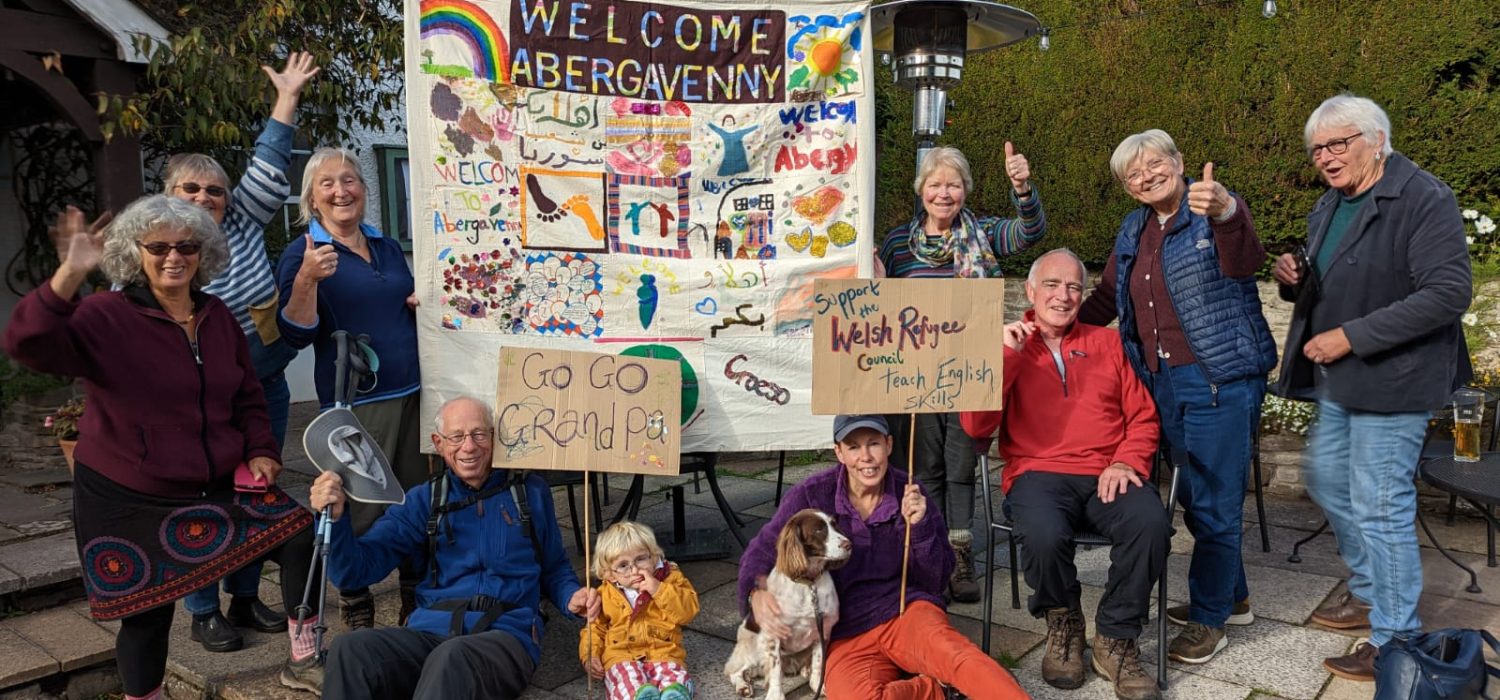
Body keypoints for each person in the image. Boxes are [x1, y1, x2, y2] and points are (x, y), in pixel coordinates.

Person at [4, 196, 323, 698]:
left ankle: (304, 656)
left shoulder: (216, 315)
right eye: (158, 246)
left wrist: (262, 448)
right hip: (127, 492)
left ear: (203, 253)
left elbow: (246, 393)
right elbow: (28, 343)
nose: (174, 256)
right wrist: (69, 273)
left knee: (301, 534)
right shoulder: (105, 315)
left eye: (187, 246)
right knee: (147, 617)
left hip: (210, 483)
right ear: (137, 252)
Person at [1271, 94, 1472, 682]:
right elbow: (1333, 277)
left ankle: (1397, 639)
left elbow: (1447, 293)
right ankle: (1368, 591)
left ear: (1376, 140)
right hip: (1345, 379)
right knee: (1329, 480)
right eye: (1317, 149)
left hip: (1398, 378)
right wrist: (1293, 280)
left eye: (1339, 144)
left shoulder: (1423, 197)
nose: (1327, 157)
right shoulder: (1332, 203)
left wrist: (1351, 337)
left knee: (1380, 506)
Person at [1076, 129, 1277, 665]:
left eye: (1154, 164)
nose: (1145, 177)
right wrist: (1046, 326)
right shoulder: (1134, 227)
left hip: (1219, 377)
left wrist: (1229, 209)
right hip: (1161, 381)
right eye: (1132, 174)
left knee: (1214, 500)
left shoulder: (1211, 208)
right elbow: (1105, 299)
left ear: (1179, 161)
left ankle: (1210, 619)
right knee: (1193, 496)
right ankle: (1232, 599)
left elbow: (1246, 260)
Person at [963, 249, 1168, 700]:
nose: (1064, 295)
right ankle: (1064, 620)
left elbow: (1144, 418)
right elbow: (976, 428)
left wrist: (1126, 461)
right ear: (1031, 291)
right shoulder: (1005, 344)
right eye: (1053, 285)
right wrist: (1007, 357)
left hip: (1106, 470)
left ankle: (1115, 637)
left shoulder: (1109, 343)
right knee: (1040, 531)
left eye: (1075, 286)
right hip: (1037, 472)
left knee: (1150, 522)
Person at [169, 50, 319, 655]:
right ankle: (203, 607)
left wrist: (286, 97)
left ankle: (244, 595)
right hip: (200, 400)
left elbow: (268, 163)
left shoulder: (244, 224)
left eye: (214, 190)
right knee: (206, 496)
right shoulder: (164, 249)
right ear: (170, 196)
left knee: (257, 488)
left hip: (265, 385)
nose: (205, 197)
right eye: (191, 188)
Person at [310, 395, 601, 699]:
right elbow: (353, 573)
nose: (469, 446)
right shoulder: (424, 499)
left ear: (493, 436)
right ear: (438, 442)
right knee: (349, 649)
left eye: (479, 434)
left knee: (451, 658)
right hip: (430, 629)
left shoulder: (529, 493)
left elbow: (555, 569)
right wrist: (336, 519)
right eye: (457, 437)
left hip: (505, 636)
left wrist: (572, 597)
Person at [736, 414, 1028, 700]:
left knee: (959, 658)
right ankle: (938, 690)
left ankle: (974, 683)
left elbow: (936, 580)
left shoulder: (911, 491)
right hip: (843, 632)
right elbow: (762, 549)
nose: (866, 456)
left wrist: (921, 528)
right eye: (853, 446)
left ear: (888, 445)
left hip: (905, 611)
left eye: (873, 443)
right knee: (852, 695)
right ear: (838, 452)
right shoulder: (811, 495)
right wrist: (754, 593)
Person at [876, 144, 1047, 603]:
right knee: (922, 464)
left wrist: (1022, 188)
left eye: (953, 184)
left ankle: (960, 550)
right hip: (915, 372)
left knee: (962, 462)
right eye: (935, 184)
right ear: (921, 191)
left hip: (971, 368)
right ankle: (928, 549)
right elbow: (881, 305)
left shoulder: (985, 233)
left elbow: (1030, 232)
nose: (944, 193)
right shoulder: (897, 244)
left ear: (965, 190)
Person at [276, 146, 424, 628]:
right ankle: (355, 599)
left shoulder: (382, 245)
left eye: (350, 180)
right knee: (358, 503)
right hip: (358, 400)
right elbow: (295, 333)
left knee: (415, 497)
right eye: (328, 183)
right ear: (312, 199)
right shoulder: (304, 252)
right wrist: (305, 280)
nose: (341, 190)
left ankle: (414, 594)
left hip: (415, 391)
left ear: (364, 189)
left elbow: (394, 305)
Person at [580, 521, 699, 700]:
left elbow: (688, 611)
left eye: (641, 559)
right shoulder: (605, 593)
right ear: (609, 573)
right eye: (623, 565)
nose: (635, 570)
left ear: (654, 556)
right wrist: (590, 654)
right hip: (621, 654)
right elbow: (594, 628)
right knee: (625, 680)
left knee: (673, 678)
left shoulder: (670, 579)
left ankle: (676, 694)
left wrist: (659, 589)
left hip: (664, 650)